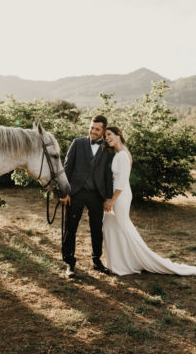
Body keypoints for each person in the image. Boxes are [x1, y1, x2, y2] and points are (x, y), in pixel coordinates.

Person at [102, 126, 196, 279]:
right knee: (115, 223)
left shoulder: (122, 155)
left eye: (109, 134)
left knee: (123, 225)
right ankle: (124, 260)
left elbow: (121, 180)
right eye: (105, 136)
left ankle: (140, 259)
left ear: (118, 135)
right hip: (121, 193)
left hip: (120, 195)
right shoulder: (121, 152)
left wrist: (112, 199)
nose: (106, 138)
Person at [60, 115, 114, 278]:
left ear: (104, 131)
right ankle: (69, 262)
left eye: (97, 129)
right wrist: (64, 192)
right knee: (71, 228)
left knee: (97, 228)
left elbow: (108, 175)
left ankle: (97, 261)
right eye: (91, 127)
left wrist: (108, 197)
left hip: (97, 194)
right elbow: (67, 169)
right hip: (76, 193)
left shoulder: (108, 149)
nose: (93, 131)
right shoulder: (78, 143)